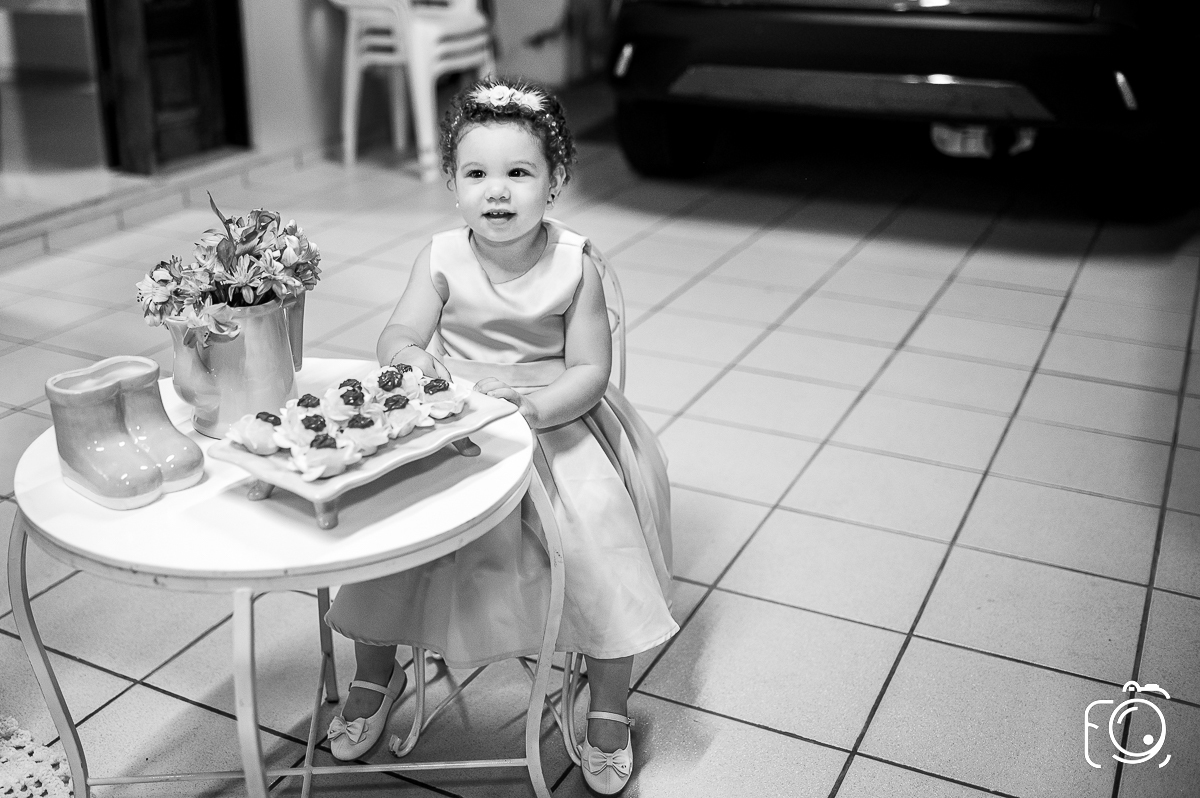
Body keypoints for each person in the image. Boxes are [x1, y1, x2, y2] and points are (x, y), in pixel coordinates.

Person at [323, 77, 676, 794]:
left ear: (555, 181)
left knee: (598, 532)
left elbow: (591, 371)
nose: (497, 192)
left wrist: (536, 409)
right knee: (396, 525)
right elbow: (400, 330)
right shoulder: (440, 257)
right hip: (459, 416)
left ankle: (609, 701)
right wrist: (411, 358)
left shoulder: (574, 264)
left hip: (554, 417)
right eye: (477, 174)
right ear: (453, 185)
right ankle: (374, 673)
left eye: (519, 173)